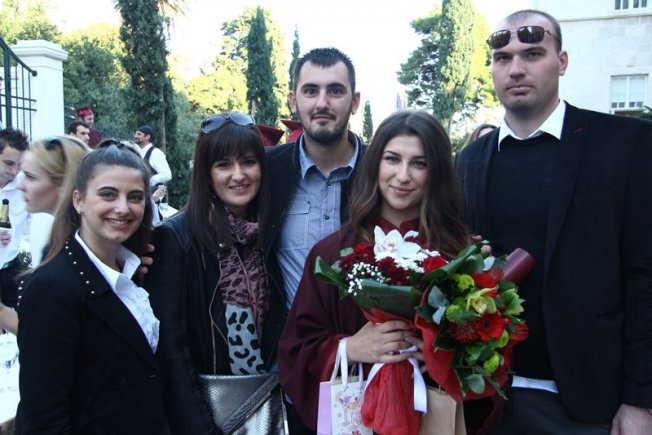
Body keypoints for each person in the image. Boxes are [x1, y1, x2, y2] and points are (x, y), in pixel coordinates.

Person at [455, 9, 652, 434]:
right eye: (503, 58)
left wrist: (641, 399)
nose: (516, 68)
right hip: (489, 399)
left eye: (532, 54)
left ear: (561, 61)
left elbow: (645, 276)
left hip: (591, 402)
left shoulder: (624, 146)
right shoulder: (467, 162)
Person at [278, 110, 470, 430]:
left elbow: (486, 355)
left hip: (432, 417)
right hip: (357, 416)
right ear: (375, 164)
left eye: (419, 163)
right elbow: (295, 351)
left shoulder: (456, 256)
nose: (403, 176)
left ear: (436, 172)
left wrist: (443, 355)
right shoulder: (332, 254)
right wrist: (349, 348)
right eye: (392, 159)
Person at [146, 113, 286, 434]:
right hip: (207, 413)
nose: (239, 175)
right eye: (224, 165)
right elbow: (171, 349)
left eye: (248, 162)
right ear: (207, 173)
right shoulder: (176, 239)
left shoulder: (270, 232)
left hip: (266, 407)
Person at [15, 142, 167, 434]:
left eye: (135, 197)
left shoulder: (136, 273)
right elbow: (43, 420)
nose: (123, 208)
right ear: (79, 200)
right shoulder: (52, 288)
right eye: (108, 194)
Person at [0, 129, 29, 309]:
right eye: (9, 163)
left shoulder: (25, 185)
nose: (14, 171)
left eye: (20, 165)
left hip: (11, 268)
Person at [133, 125, 172, 189]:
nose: (135, 136)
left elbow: (166, 175)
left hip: (152, 193)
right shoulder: (137, 152)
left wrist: (147, 182)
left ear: (147, 137)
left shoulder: (156, 153)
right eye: (135, 134)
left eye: (139, 134)